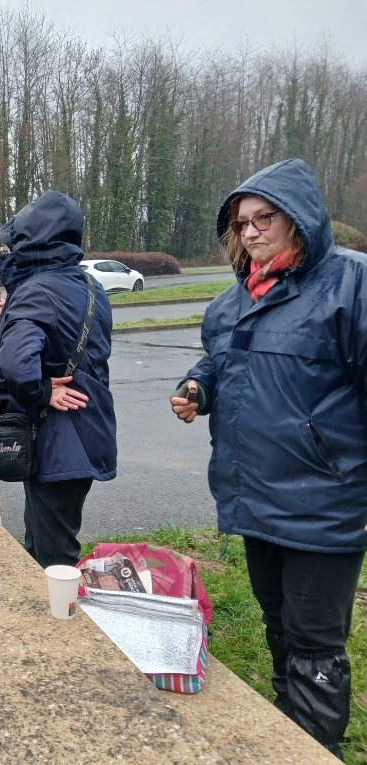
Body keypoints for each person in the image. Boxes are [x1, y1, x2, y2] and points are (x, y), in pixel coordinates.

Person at [170, 158, 367, 759]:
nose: (251, 231)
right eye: (241, 223)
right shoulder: (234, 301)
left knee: (314, 644)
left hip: (325, 503)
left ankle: (315, 748)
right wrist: (199, 387)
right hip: (255, 497)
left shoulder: (350, 285)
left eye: (265, 218)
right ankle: (290, 732)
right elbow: (220, 361)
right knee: (278, 628)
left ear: (299, 219)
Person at [0, 191, 117, 568]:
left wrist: (41, 389)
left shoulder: (37, 290)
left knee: (54, 557)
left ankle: (58, 607)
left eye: (13, 241)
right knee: (45, 540)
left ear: (33, 241)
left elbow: (14, 363)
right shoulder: (90, 287)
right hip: (86, 431)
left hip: (58, 441)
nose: (7, 249)